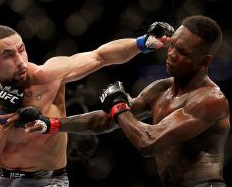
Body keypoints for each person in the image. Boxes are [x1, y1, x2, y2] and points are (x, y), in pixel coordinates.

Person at [14, 15, 230, 187]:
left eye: (182, 52)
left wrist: (119, 106)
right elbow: (107, 121)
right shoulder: (161, 89)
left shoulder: (210, 100)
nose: (171, 54)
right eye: (172, 46)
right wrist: (51, 123)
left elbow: (149, 142)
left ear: (205, 61)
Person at [0, 22, 174, 186]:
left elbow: (100, 56)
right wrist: (4, 118)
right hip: (2, 181)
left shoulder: (46, 76)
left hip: (49, 181)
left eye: (21, 50)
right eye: (9, 55)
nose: (20, 61)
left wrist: (142, 43)